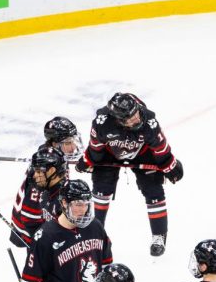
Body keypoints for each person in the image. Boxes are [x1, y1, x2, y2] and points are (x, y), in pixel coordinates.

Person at [78, 92, 183, 256]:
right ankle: (95, 234)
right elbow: (95, 148)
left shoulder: (149, 122)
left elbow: (161, 149)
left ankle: (158, 236)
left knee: (153, 189)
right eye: (131, 118)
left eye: (136, 113)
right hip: (110, 154)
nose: (137, 118)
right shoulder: (102, 123)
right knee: (101, 188)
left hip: (143, 153)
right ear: (118, 119)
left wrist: (169, 165)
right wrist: (88, 160)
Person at [10, 146, 66, 249]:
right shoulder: (41, 188)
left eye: (39, 171)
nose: (35, 175)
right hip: (27, 232)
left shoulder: (65, 196)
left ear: (53, 170)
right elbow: (29, 220)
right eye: (36, 170)